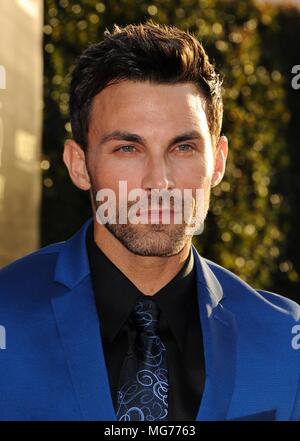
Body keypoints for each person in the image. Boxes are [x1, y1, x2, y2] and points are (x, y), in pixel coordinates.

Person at [0, 21, 299, 422]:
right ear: (79, 165)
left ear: (219, 162)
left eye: (184, 147)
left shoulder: (286, 342)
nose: (159, 181)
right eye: (127, 148)